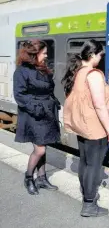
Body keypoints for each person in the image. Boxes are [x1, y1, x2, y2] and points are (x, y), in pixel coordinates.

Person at [62, 39, 109, 217]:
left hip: (83, 126)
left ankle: (87, 196)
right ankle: (90, 205)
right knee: (94, 165)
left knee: (84, 162)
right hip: (95, 127)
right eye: (100, 55)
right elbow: (99, 105)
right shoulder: (93, 75)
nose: (101, 58)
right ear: (92, 55)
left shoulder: (78, 72)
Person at [13, 40, 60, 196]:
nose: (46, 56)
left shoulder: (43, 70)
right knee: (39, 149)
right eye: (44, 53)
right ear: (34, 54)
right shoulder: (21, 71)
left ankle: (41, 178)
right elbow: (19, 95)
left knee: (44, 145)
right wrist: (37, 108)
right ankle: (28, 177)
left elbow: (49, 90)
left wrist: (54, 103)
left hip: (47, 112)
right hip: (34, 114)